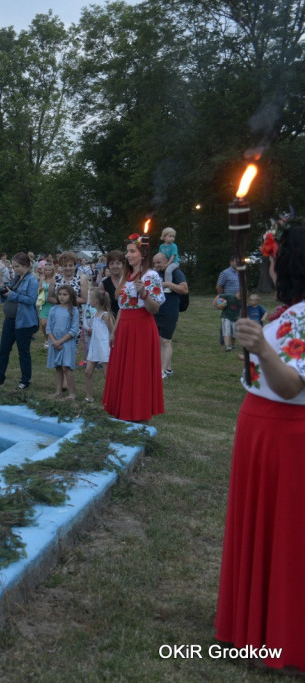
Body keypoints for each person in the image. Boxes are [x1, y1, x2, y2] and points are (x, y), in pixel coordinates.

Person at [215, 221, 305, 672]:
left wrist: (265, 352)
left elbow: (292, 387)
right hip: (262, 429)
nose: (267, 262)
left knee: (287, 531)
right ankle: (256, 624)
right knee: (264, 526)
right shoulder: (292, 311)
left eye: (272, 255)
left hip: (285, 436)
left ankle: (284, 636)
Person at [102, 236, 165, 421]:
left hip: (142, 327)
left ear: (142, 254)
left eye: (132, 251)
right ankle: (122, 409)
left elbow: (154, 309)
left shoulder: (150, 276)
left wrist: (144, 294)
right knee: (123, 370)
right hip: (125, 327)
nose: (127, 255)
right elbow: (122, 307)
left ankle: (139, 411)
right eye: (127, 251)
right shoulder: (125, 276)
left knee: (138, 371)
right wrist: (114, 331)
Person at [0, 253, 38, 389]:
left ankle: (25, 380)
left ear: (26, 266)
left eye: (17, 266)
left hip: (24, 321)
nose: (14, 269)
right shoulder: (16, 278)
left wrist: (12, 295)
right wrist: (3, 293)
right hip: (9, 320)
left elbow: (31, 300)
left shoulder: (32, 280)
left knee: (23, 352)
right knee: (3, 349)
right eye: (13, 266)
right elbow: (9, 294)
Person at [152, 252, 188, 379]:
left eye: (159, 262)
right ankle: (168, 368)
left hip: (170, 311)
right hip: (156, 311)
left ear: (166, 260)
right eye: (155, 263)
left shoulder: (175, 272)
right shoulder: (155, 274)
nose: (157, 265)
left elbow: (184, 289)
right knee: (158, 341)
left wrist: (168, 284)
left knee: (166, 340)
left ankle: (162, 371)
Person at [46, 284, 81, 399]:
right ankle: (58, 391)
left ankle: (72, 393)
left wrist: (60, 341)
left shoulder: (74, 311)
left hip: (66, 342)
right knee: (58, 367)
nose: (62, 297)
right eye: (60, 294)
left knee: (66, 367)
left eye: (65, 295)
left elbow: (74, 329)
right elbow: (49, 327)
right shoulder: (53, 309)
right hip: (54, 342)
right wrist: (53, 341)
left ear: (71, 296)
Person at [84, 287, 114, 402]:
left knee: (107, 375)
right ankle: (89, 396)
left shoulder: (105, 315)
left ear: (96, 301)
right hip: (94, 347)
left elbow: (113, 331)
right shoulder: (95, 314)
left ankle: (110, 398)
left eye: (91, 298)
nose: (89, 300)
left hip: (104, 347)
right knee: (88, 372)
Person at [101, 250, 125, 319]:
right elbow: (102, 307)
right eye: (111, 263)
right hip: (112, 322)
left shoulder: (129, 281)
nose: (115, 266)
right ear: (108, 266)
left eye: (118, 263)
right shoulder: (104, 284)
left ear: (123, 264)